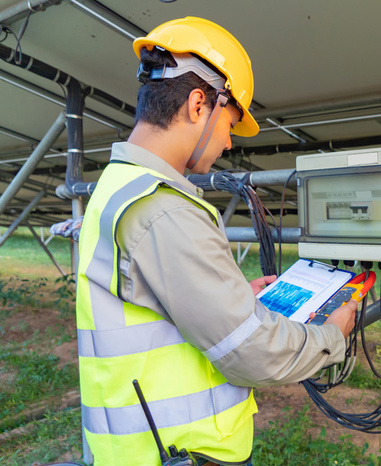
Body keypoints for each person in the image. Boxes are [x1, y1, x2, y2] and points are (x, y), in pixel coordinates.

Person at [75, 16, 357, 466]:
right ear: (198, 103)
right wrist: (332, 335)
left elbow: (149, 305)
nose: (228, 140)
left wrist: (231, 299)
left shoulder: (118, 186)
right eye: (230, 121)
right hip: (177, 452)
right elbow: (252, 353)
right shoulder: (164, 209)